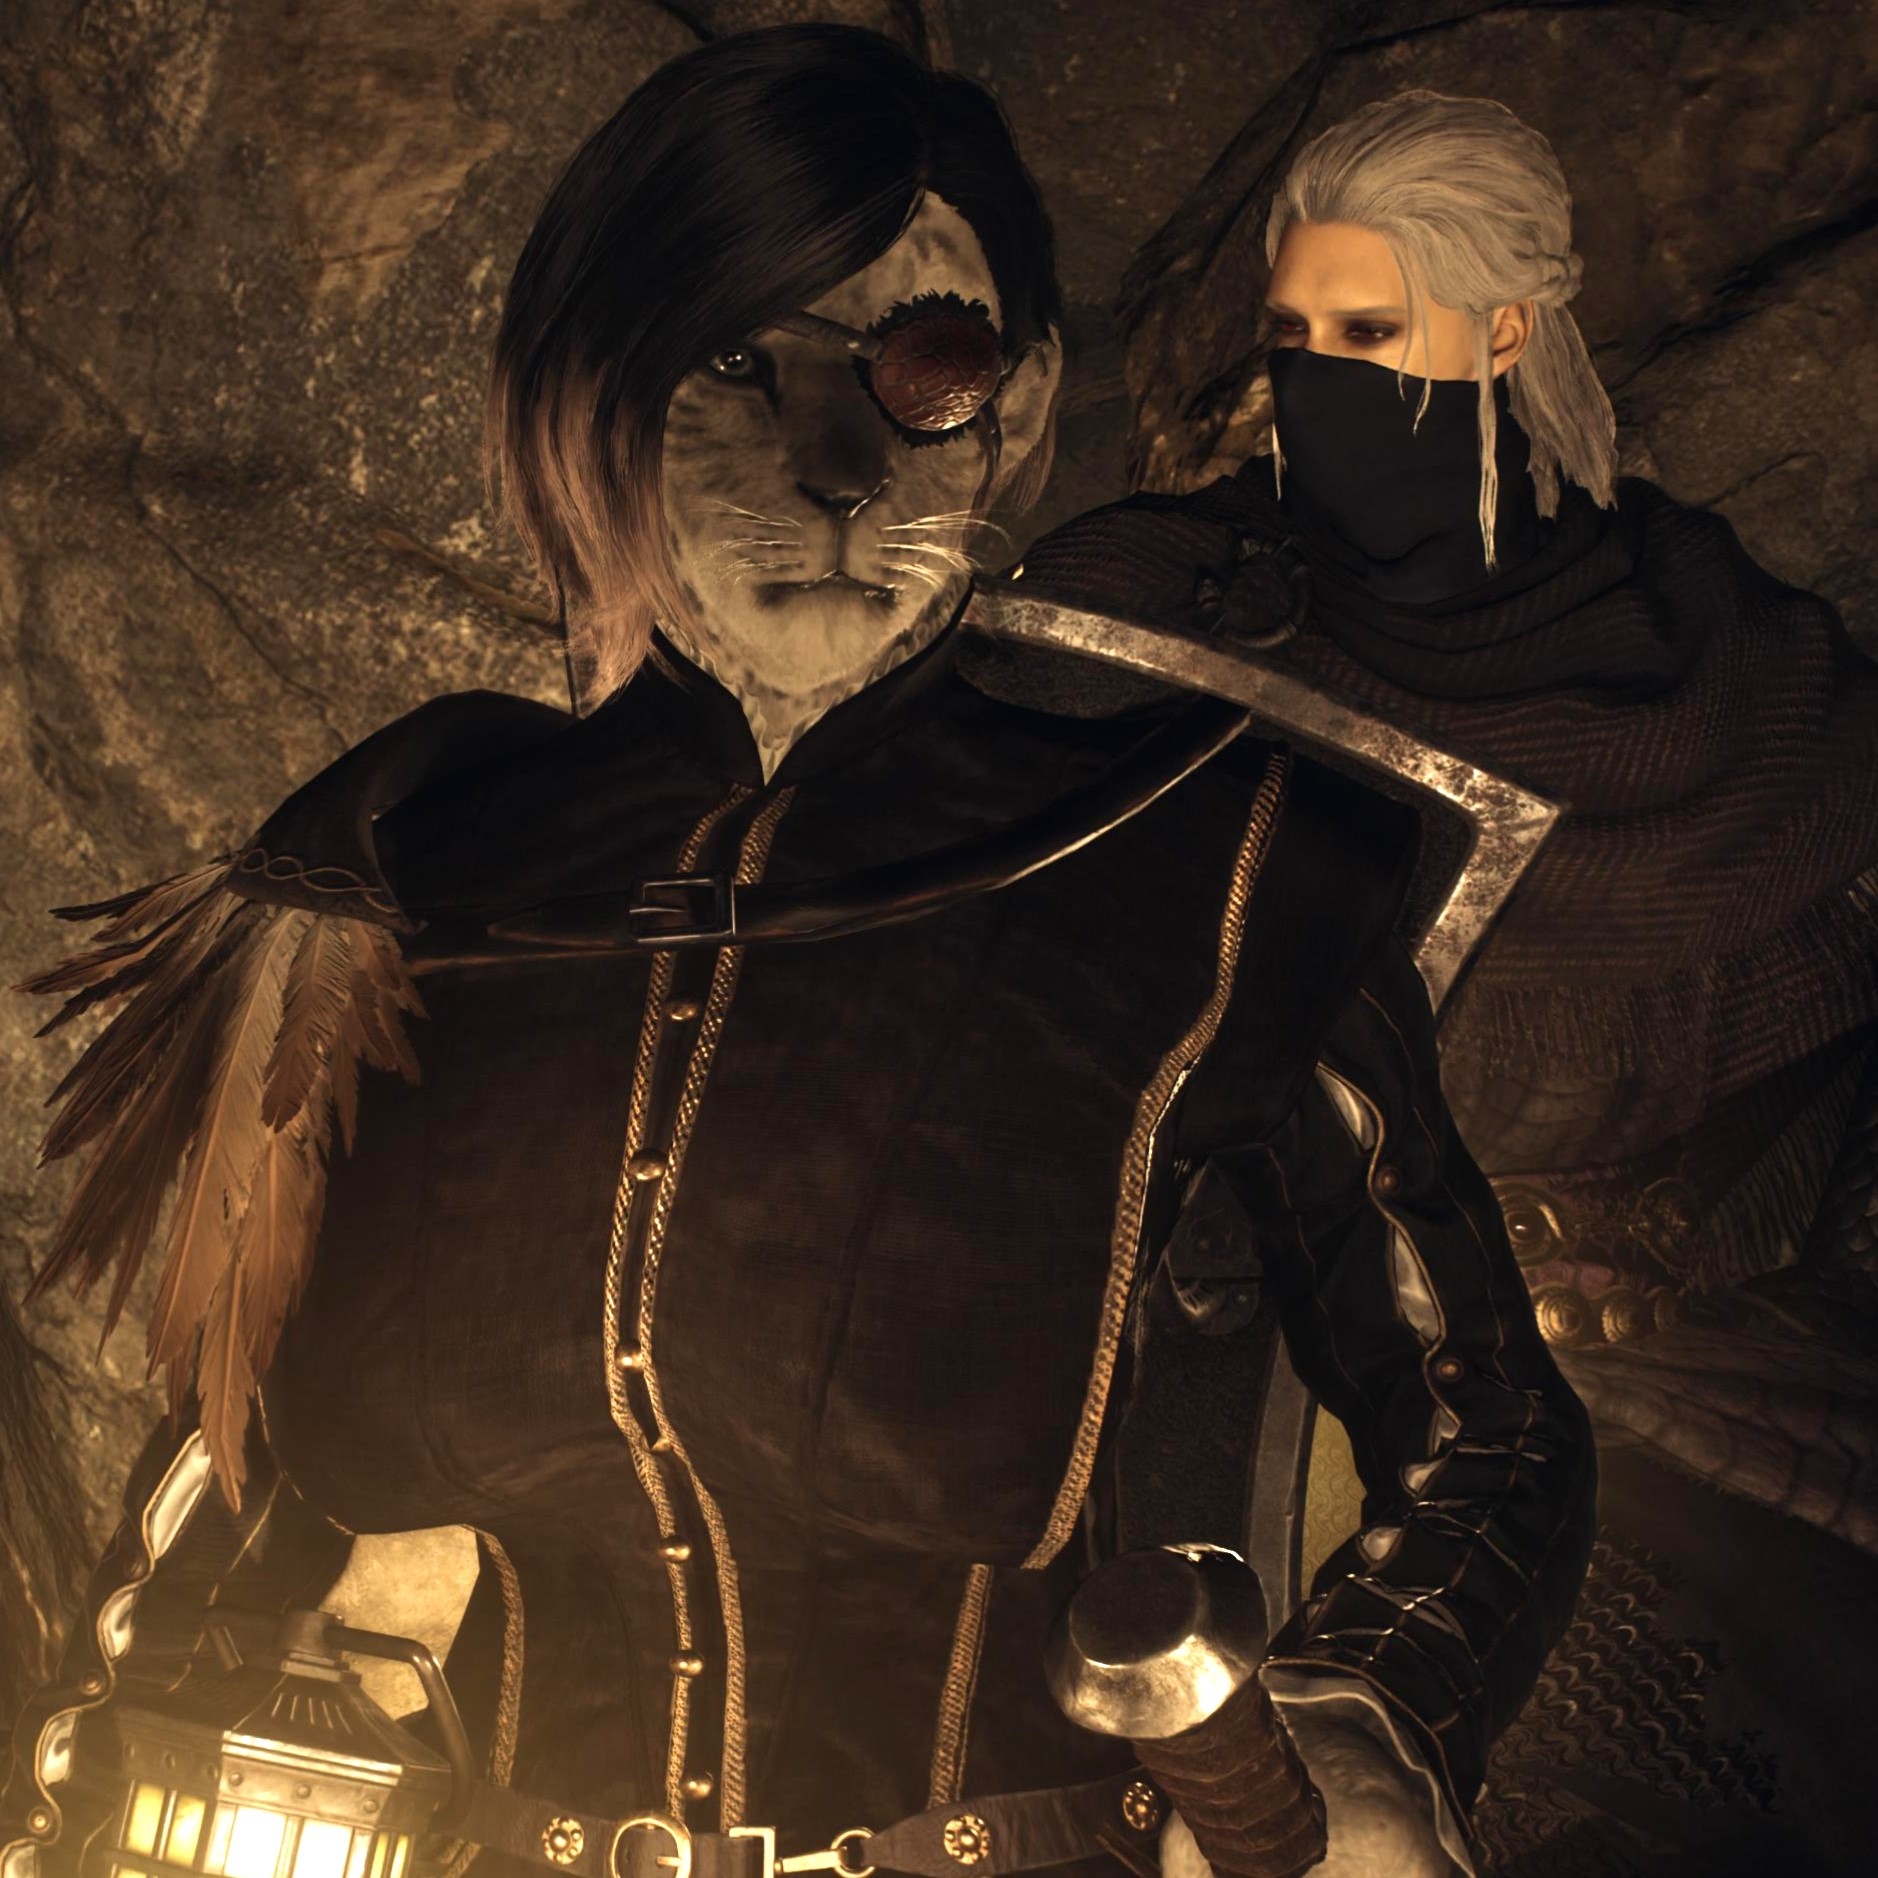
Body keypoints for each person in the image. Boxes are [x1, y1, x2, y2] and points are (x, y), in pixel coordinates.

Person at [0, 39, 1592, 1878]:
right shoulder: (412, 868)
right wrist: (111, 1757)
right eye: (739, 361)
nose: (836, 465)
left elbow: (1485, 1423)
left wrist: (1363, 1711)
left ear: (1020, 402)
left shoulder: (1207, 858)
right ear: (596, 390)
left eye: (925, 365)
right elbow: (246, 1435)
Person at [1014, 89, 1878, 1874]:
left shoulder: (1727, 672)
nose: (1316, 380)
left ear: (1502, 329)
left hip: (1647, 1441)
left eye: (1367, 329)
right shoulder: (1161, 612)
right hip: (1185, 1407)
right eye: (1291, 336)